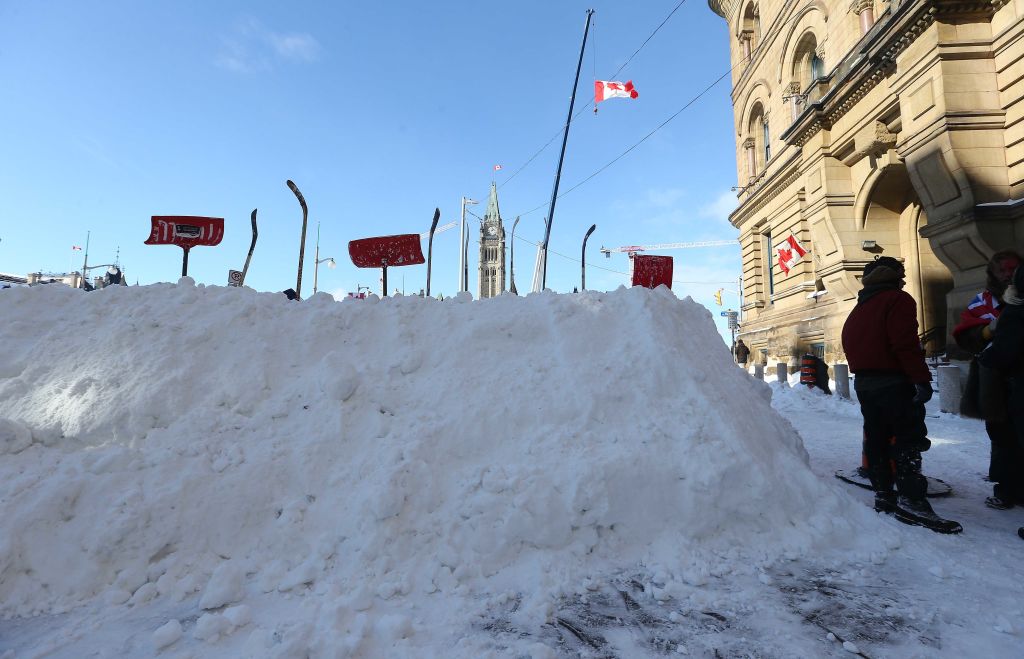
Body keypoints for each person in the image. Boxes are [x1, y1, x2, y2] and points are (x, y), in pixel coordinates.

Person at [841, 256, 961, 533]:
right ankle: (911, 500)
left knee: (877, 438)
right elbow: (905, 343)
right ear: (896, 276)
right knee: (908, 440)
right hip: (893, 383)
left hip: (865, 383)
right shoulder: (898, 300)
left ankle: (884, 493)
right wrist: (920, 378)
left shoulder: (859, 307)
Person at [953, 250, 1022, 509]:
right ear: (993, 273)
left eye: (1012, 269)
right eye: (1002, 270)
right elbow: (966, 337)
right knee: (1001, 435)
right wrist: (988, 330)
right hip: (995, 379)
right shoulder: (982, 302)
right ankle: (1005, 488)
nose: (1007, 274)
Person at [979, 264, 1024, 537]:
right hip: (1008, 388)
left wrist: (986, 356)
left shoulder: (1016, 309)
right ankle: (1009, 489)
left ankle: (1008, 489)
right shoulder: (985, 299)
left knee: (1008, 439)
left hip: (1015, 384)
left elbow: (1004, 351)